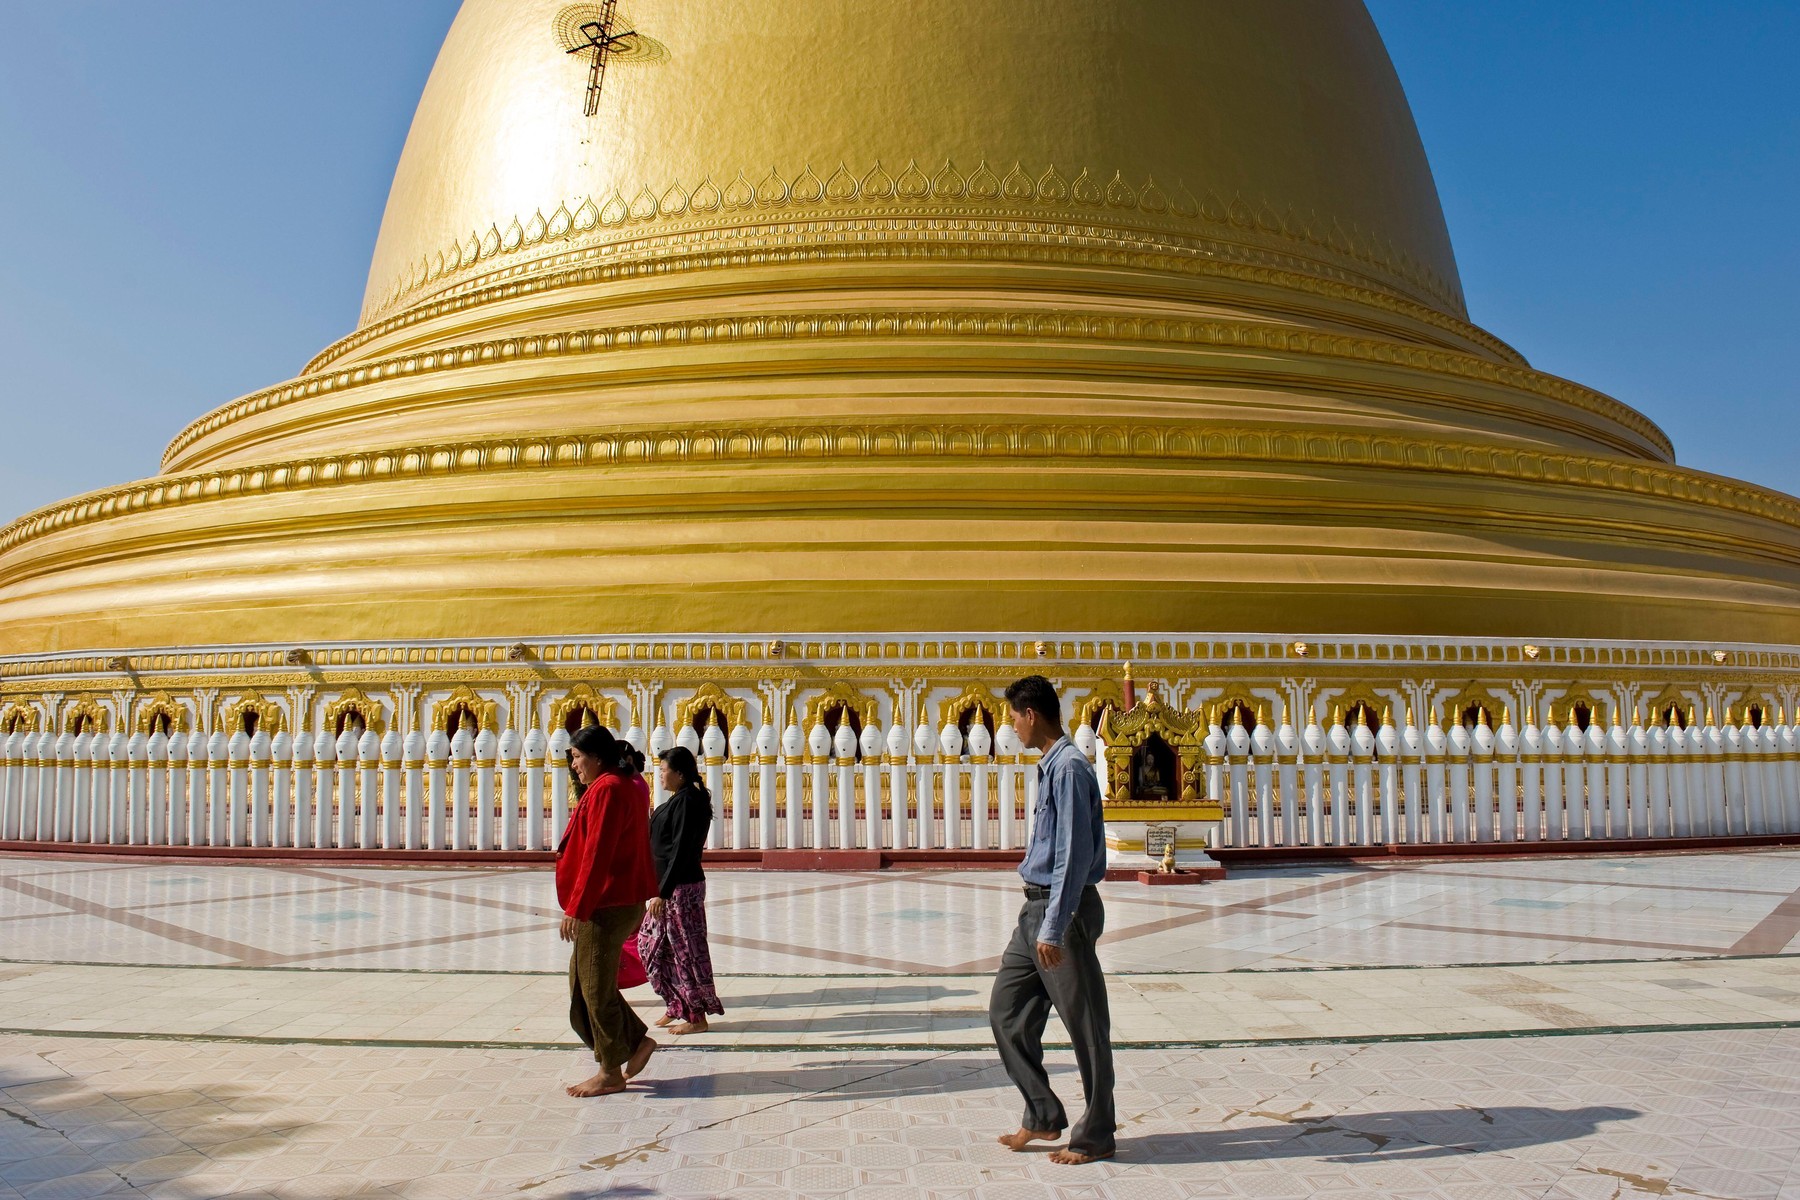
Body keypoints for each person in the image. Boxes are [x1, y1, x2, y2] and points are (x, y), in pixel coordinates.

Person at [989, 675, 1115, 1164]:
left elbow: (1073, 855)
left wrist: (1055, 926)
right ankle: (1042, 1114)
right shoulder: (1050, 767)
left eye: (1013, 718)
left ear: (1031, 714)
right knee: (1007, 1012)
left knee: (1085, 1026)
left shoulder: (1070, 770)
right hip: (1035, 908)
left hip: (1063, 911)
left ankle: (1095, 1135)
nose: (1012, 728)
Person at [556, 725, 659, 1097]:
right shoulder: (620, 784)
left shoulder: (609, 789)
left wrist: (578, 907)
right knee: (584, 984)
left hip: (606, 903)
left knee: (595, 989)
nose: (574, 765)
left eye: (577, 757)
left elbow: (598, 853)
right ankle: (634, 1043)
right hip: (613, 899)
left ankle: (610, 1070)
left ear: (597, 757)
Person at [639, 745, 725, 1034]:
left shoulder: (689, 801)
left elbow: (681, 850)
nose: (660, 775)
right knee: (654, 946)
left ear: (679, 773)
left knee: (685, 951)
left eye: (664, 770)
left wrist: (663, 892)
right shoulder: (679, 799)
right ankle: (677, 1004)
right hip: (668, 887)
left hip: (680, 888)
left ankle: (697, 1017)